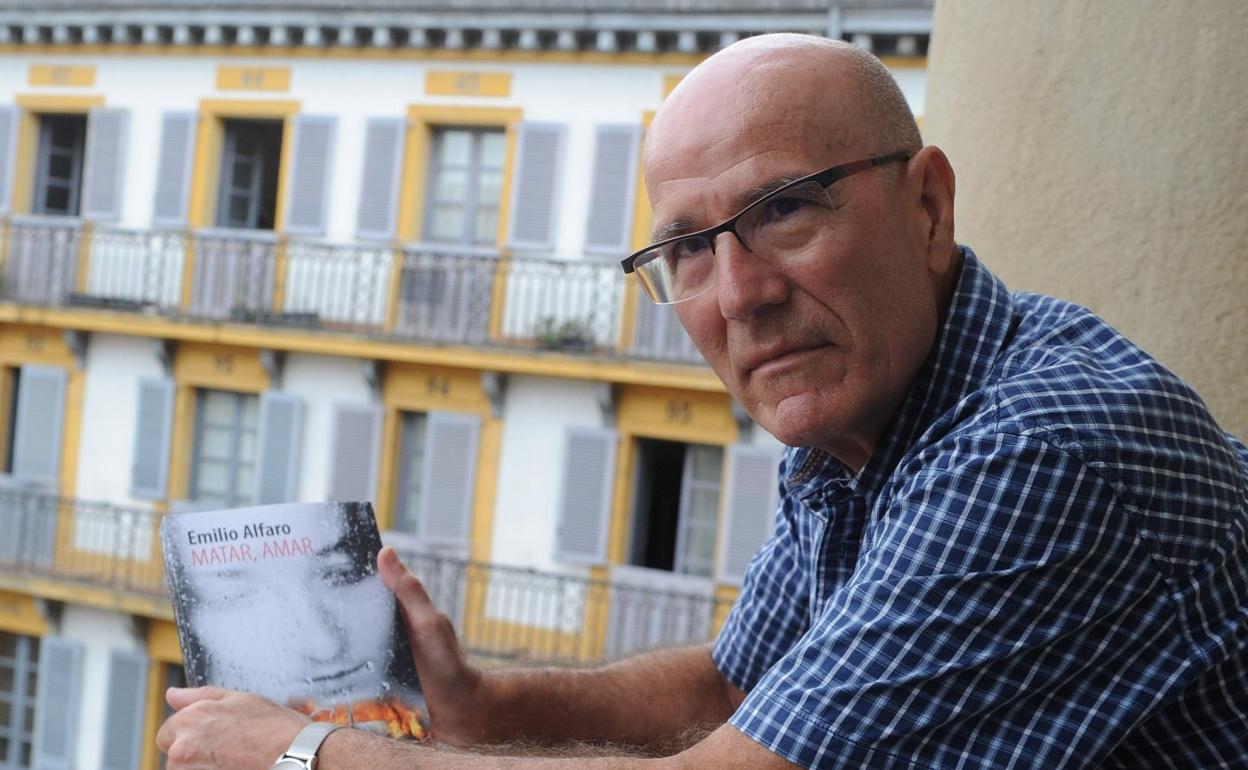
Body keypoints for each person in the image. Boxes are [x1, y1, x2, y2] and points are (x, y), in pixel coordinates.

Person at [158, 33, 1248, 769]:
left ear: (927, 207)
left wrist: (304, 751)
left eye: (783, 212)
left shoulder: (1040, 448)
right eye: (686, 247)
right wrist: (488, 703)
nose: (742, 294)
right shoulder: (862, 425)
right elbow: (738, 683)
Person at [163, 501, 423, 734]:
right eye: (237, 592)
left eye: (343, 573)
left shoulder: (434, 725)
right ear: (191, 622)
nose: (324, 645)